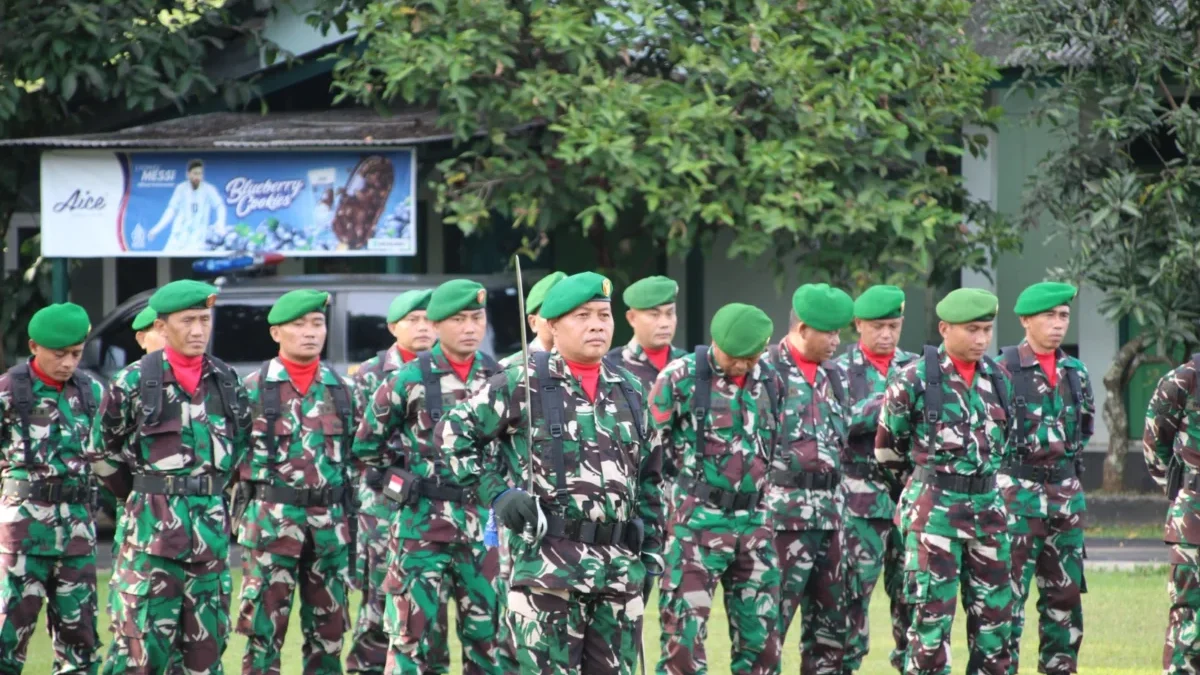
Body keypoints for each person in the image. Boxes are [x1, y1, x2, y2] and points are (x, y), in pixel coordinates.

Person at [440, 271, 664, 674]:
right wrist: (498, 493)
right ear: (553, 327)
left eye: (603, 315)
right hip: (549, 571)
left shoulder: (629, 390)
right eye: (582, 315)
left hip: (618, 574)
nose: (597, 324)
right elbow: (454, 434)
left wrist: (649, 555)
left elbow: (649, 478)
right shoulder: (521, 382)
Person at [88, 279, 251, 675]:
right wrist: (137, 496)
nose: (198, 330)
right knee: (139, 656)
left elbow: (240, 448)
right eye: (187, 321)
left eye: (204, 320)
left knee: (205, 657)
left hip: (210, 547)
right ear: (162, 327)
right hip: (148, 546)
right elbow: (100, 452)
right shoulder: (132, 382)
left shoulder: (227, 382)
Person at [353, 279, 503, 674]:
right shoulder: (408, 378)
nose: (471, 328)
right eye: (459, 319)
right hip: (420, 527)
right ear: (437, 324)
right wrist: (401, 481)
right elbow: (368, 444)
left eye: (477, 318)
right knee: (409, 638)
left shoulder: (499, 377)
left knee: (489, 641)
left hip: (483, 529)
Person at [875, 288, 1013, 675]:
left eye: (986, 329)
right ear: (945, 328)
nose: (982, 339)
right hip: (933, 520)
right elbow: (888, 451)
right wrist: (923, 491)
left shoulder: (998, 379)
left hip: (988, 517)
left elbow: (1004, 446)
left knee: (996, 627)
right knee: (930, 629)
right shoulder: (913, 381)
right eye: (972, 330)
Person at [235, 290, 362, 675]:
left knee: (329, 637)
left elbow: (357, 458)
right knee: (262, 636)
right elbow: (230, 458)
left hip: (330, 532)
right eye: (298, 325)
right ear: (277, 332)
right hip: (270, 529)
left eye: (317, 323)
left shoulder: (344, 390)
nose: (310, 332)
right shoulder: (251, 389)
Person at [653, 303, 782, 675]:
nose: (741, 365)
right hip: (695, 528)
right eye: (734, 357)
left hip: (755, 526)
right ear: (714, 342)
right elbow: (648, 449)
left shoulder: (770, 380)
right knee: (683, 643)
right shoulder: (680, 379)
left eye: (750, 358)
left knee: (763, 645)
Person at [0, 303, 104, 674]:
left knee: (82, 641)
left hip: (77, 533)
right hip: (24, 535)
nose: (68, 363)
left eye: (76, 354)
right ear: (34, 347)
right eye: (59, 355)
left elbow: (103, 454)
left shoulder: (90, 391)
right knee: (8, 636)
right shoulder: (10, 390)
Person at [999, 282, 1094, 675]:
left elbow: (1083, 432)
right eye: (1048, 316)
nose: (1058, 325)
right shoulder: (1003, 370)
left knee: (1065, 603)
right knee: (1006, 605)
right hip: (1017, 501)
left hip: (1066, 502)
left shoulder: (1075, 373)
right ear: (1025, 320)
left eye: (1063, 317)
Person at [346, 288, 433, 675]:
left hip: (435, 504)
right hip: (383, 503)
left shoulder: (444, 372)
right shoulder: (371, 373)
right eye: (413, 320)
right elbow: (358, 443)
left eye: (430, 319)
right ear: (394, 326)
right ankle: (368, 666)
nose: (423, 327)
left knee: (430, 601)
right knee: (381, 592)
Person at [767, 283, 853, 674]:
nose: (836, 341)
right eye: (829, 333)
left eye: (839, 332)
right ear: (802, 329)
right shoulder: (765, 374)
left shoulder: (836, 377)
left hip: (832, 520)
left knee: (831, 633)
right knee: (768, 632)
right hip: (782, 520)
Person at [833, 285, 917, 672]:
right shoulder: (838, 370)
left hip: (909, 503)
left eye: (893, 326)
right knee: (850, 605)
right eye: (878, 326)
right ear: (858, 325)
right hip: (857, 505)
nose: (886, 334)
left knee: (913, 603)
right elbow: (840, 424)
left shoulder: (918, 368)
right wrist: (892, 400)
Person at [100, 306, 176, 675]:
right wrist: (131, 491)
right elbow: (103, 449)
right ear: (142, 338)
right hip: (143, 521)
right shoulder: (131, 384)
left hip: (194, 529)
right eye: (158, 333)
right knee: (135, 630)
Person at [1142, 333, 1200, 674]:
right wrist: (1186, 490)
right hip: (1194, 522)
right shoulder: (1184, 379)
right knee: (1190, 623)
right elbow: (1154, 446)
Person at [607, 276, 686, 392]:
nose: (664, 324)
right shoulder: (611, 366)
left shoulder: (688, 364)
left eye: (670, 313)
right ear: (632, 318)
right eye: (654, 315)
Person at [147, 159, 227, 253]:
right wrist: (156, 229)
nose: (198, 177)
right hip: (179, 236)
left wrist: (220, 224)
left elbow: (220, 206)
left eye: (200, 173)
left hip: (198, 238)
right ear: (188, 174)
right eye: (195, 173)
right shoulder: (181, 189)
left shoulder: (208, 189)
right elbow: (171, 210)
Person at [498, 271, 566, 369]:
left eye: (574, 314)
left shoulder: (592, 361)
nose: (564, 321)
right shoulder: (510, 369)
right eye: (552, 313)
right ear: (533, 323)